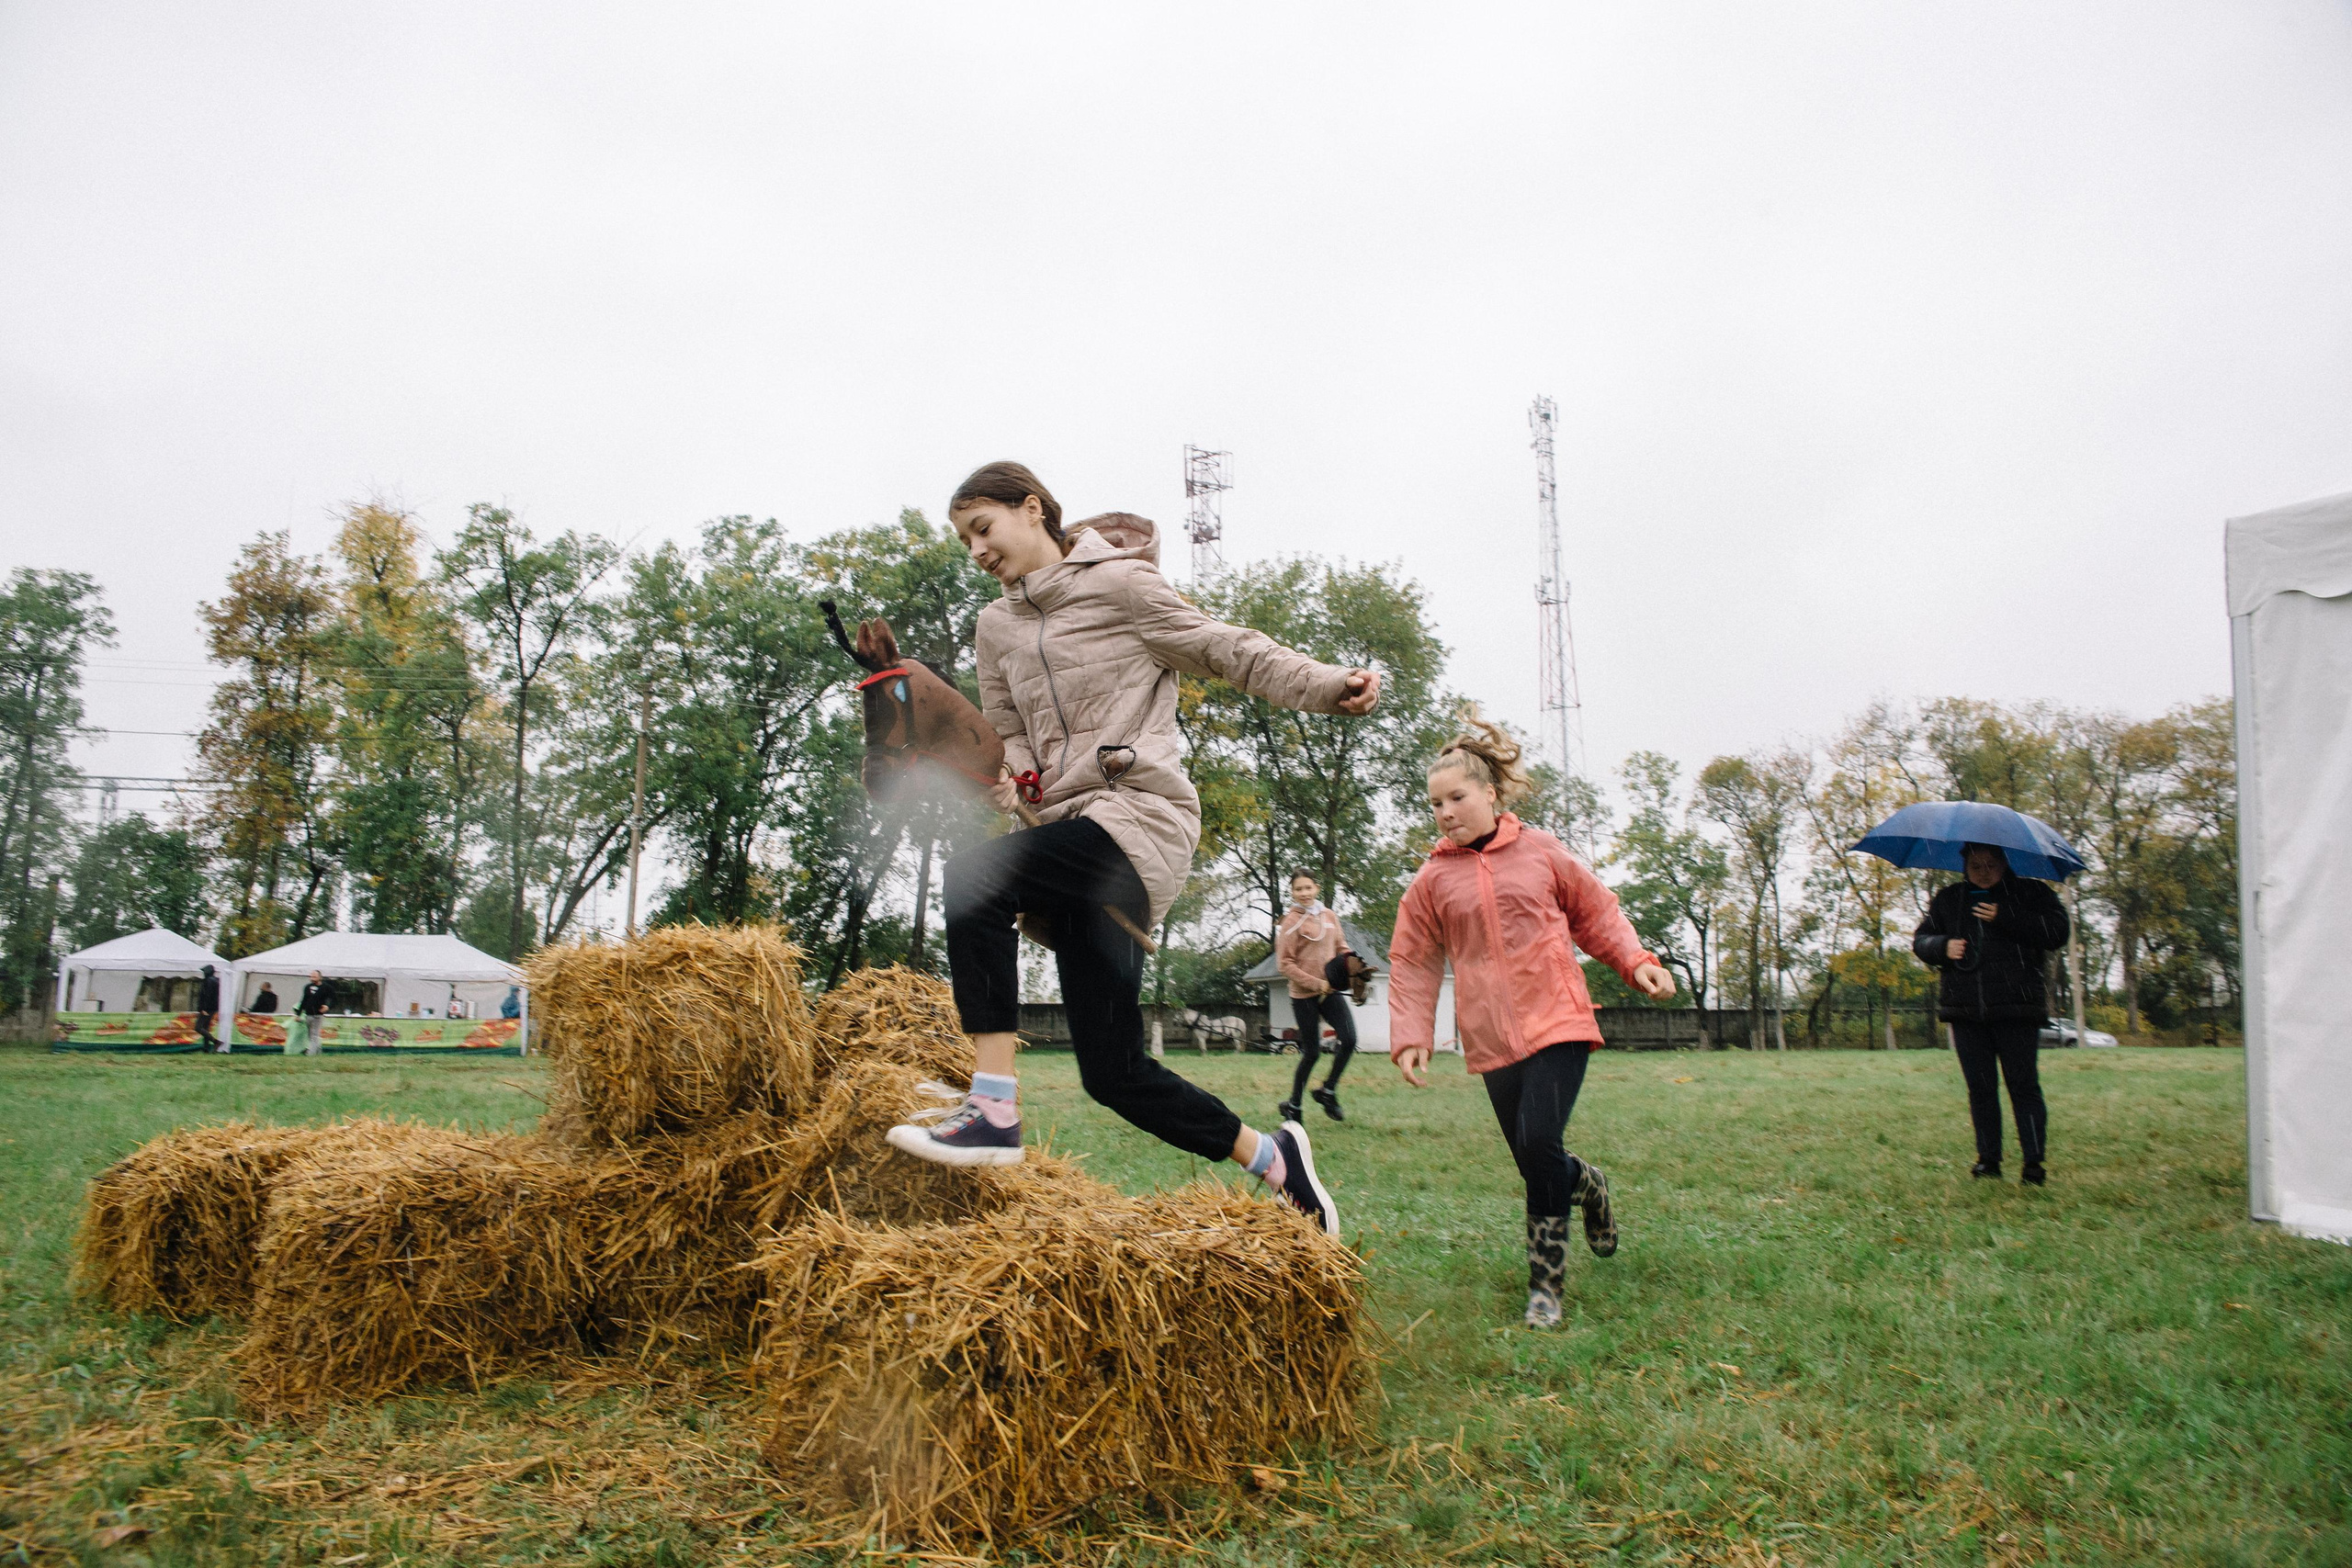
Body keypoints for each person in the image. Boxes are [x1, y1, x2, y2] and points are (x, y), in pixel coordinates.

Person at [885, 462, 1382, 1237]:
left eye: (983, 528)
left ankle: (991, 1105)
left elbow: (1226, 648)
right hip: (1065, 840)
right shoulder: (995, 627)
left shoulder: (1122, 587)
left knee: (973, 877)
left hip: (1136, 822)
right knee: (1115, 1075)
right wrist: (1015, 780)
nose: (975, 549)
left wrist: (1326, 683)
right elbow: (1012, 728)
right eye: (963, 540)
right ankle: (1279, 1159)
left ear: (1033, 508)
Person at [1386, 710, 1678, 1328]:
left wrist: (1636, 960)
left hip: (1558, 1022)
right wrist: (1411, 1034)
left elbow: (1596, 912)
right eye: (1435, 802)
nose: (1444, 810)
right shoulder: (1433, 880)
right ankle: (1587, 1183)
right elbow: (1412, 959)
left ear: (1490, 793)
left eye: (1456, 796)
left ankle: (1545, 1287)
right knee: (1534, 1159)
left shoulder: (1541, 851)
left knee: (1540, 1140)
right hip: (1492, 1040)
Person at [1912, 841, 2069, 1186]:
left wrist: (2006, 917)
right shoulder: (1949, 899)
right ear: (1964, 865)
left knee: (2023, 1086)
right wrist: (1942, 947)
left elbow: (2057, 933)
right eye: (1975, 865)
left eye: (1991, 865)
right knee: (1980, 1089)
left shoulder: (2032, 893)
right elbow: (1921, 940)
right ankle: (1988, 1160)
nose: (1983, 872)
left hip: (2018, 1009)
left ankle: (2033, 1163)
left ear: (2004, 863)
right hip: (1966, 1011)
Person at [1276, 872, 1358, 1123]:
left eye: (1308, 888)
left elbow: (1341, 947)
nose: (1304, 893)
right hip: (1304, 996)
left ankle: (1327, 1091)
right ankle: (1294, 1105)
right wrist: (1315, 983)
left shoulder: (1330, 916)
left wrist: (1355, 967)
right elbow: (1284, 964)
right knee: (1311, 1053)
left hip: (1330, 993)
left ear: (1317, 888)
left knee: (1349, 1039)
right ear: (1292, 892)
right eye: (1299, 889)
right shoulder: (1290, 922)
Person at [290, 970, 330, 1057]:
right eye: (311, 977)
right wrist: (298, 1014)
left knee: (314, 1034)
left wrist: (327, 1006)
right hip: (308, 1014)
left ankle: (310, 1054)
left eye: (314, 977)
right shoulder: (307, 987)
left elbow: (333, 999)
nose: (312, 978)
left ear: (320, 977)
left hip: (318, 1015)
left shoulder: (326, 988)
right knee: (311, 1035)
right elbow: (304, 1001)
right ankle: (318, 1052)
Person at [194, 964, 223, 1052]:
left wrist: (203, 1008)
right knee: (205, 1028)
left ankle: (215, 1042)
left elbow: (207, 996)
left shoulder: (208, 981)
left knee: (198, 1027)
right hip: (213, 1008)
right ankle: (206, 1048)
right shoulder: (216, 981)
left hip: (207, 1008)